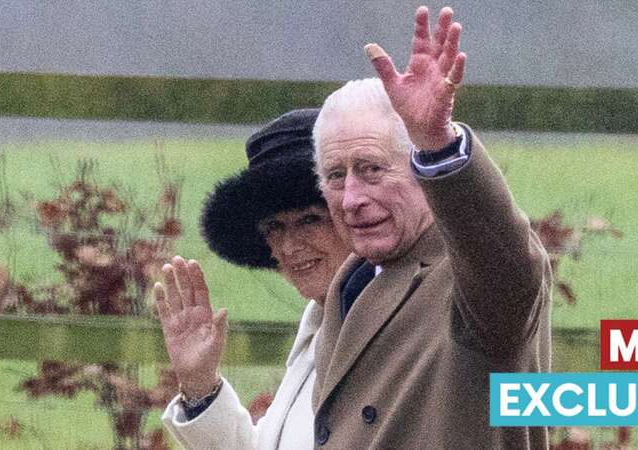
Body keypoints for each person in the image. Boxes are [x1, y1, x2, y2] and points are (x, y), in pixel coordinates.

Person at [310, 6, 552, 450]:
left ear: (420, 172)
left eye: (371, 169)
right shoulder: (351, 281)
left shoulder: (473, 281)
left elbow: (506, 265)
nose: (351, 199)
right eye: (335, 176)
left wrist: (438, 146)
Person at [154, 109, 350, 449]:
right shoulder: (319, 329)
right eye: (274, 227)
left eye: (309, 220)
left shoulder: (395, 325)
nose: (289, 246)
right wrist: (200, 386)